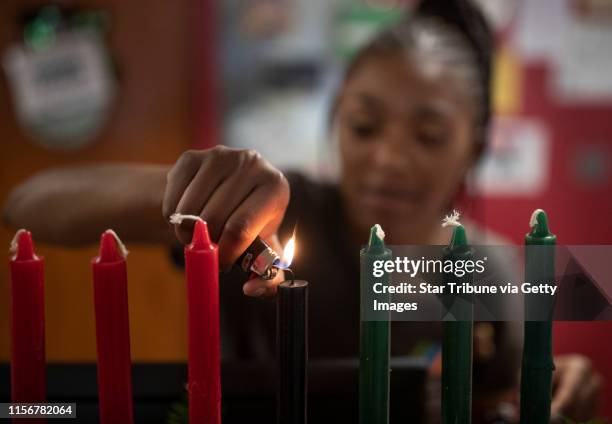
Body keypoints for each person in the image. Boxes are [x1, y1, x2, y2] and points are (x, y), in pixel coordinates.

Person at [3, 0, 601, 422]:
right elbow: (28, 203)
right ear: (336, 120)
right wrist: (185, 196)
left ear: (473, 146)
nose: (388, 158)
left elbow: (507, 396)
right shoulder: (271, 217)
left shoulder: (489, 269)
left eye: (429, 135)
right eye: (364, 126)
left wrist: (550, 385)